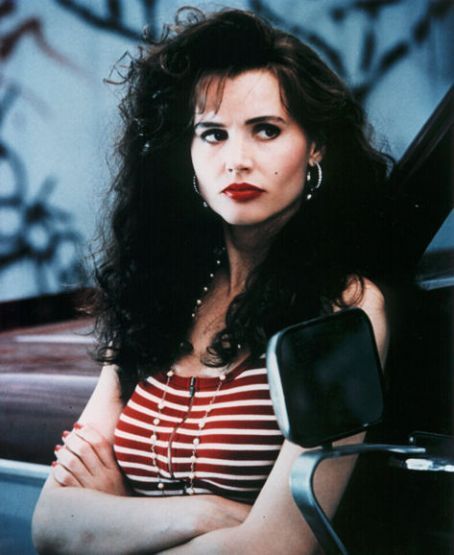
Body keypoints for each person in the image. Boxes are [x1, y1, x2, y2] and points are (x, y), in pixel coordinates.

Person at [32, 7, 390, 554]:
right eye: (213, 134)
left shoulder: (341, 308)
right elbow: (52, 522)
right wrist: (211, 512)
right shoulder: (157, 295)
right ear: (188, 154)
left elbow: (277, 547)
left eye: (266, 130)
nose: (237, 160)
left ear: (315, 145)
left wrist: (115, 520)